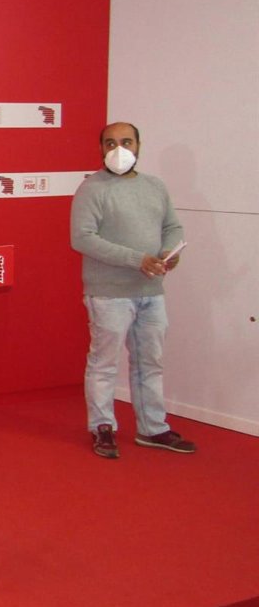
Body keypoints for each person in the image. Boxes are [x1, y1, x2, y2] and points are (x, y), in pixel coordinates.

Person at [71, 121, 195, 459]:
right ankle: (102, 428)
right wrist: (136, 259)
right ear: (101, 148)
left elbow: (172, 226)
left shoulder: (155, 186)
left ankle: (153, 428)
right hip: (108, 293)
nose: (119, 149)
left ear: (139, 145)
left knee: (150, 362)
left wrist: (169, 253)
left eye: (126, 142)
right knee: (104, 364)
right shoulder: (91, 189)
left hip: (151, 291)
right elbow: (82, 238)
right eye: (110, 143)